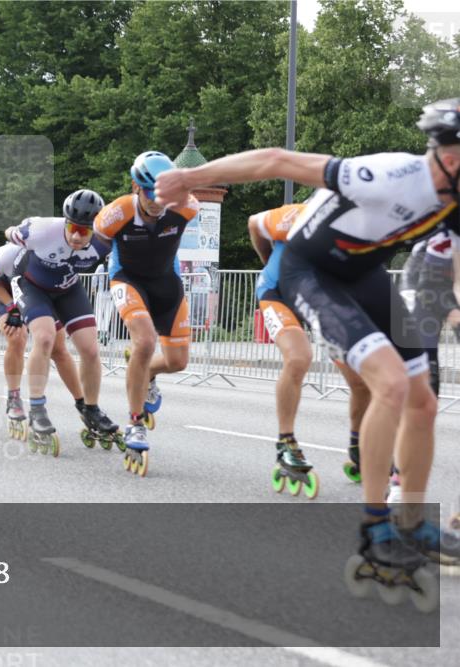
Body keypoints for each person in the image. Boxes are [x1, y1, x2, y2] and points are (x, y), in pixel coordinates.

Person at [155, 98, 460, 586]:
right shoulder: (388, 176)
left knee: (423, 401)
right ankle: (377, 530)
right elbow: (277, 159)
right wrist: (191, 178)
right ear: (445, 153)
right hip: (312, 273)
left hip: (365, 274)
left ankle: (411, 522)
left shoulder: (453, 198)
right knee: (390, 385)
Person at [248, 203, 372, 496]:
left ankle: (358, 446)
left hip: (321, 301)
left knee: (360, 379)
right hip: (277, 292)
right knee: (298, 357)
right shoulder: (298, 215)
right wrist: (268, 260)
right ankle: (286, 443)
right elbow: (255, 222)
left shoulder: (364, 228)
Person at [3, 190, 126, 462]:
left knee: (90, 349)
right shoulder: (42, 230)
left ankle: (91, 408)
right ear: (65, 221)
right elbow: (9, 232)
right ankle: (37, 407)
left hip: (68, 289)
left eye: (84, 231)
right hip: (31, 285)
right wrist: (18, 229)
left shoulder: (105, 241)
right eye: (72, 228)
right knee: (45, 338)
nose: (77, 236)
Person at [94, 151, 200, 455]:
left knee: (178, 362)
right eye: (150, 194)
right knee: (144, 342)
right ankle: (135, 421)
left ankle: (147, 372)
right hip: (128, 280)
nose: (156, 202)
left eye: (163, 195)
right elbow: (93, 248)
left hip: (167, 282)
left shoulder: (187, 206)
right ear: (135, 187)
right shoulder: (115, 214)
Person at [0, 242, 86, 446]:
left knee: (59, 349)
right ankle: (14, 398)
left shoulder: (57, 253)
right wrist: (12, 307)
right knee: (17, 336)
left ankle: (83, 404)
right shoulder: (6, 254)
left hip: (37, 297)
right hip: (5, 296)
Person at [386, 229, 458, 501]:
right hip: (421, 285)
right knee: (424, 392)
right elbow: (434, 291)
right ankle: (399, 475)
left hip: (450, 283)